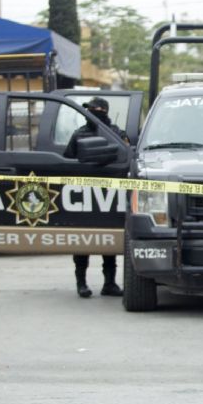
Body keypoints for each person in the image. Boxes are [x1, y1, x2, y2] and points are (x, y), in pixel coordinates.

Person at [63, 97, 126, 299]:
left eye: (94, 109)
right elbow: (68, 161)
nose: (91, 112)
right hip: (84, 192)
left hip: (110, 193)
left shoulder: (116, 134)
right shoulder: (79, 133)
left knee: (109, 238)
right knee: (83, 240)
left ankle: (109, 283)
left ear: (104, 111)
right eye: (88, 110)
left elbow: (126, 157)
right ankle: (81, 283)